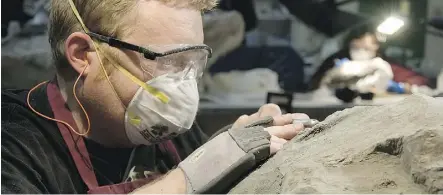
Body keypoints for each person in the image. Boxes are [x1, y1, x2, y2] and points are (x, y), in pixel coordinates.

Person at [1, 0, 313, 194]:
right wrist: (190, 176)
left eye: (193, 62)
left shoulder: (168, 135)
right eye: (168, 62)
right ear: (83, 54)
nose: (183, 86)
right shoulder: (13, 140)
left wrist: (227, 146)